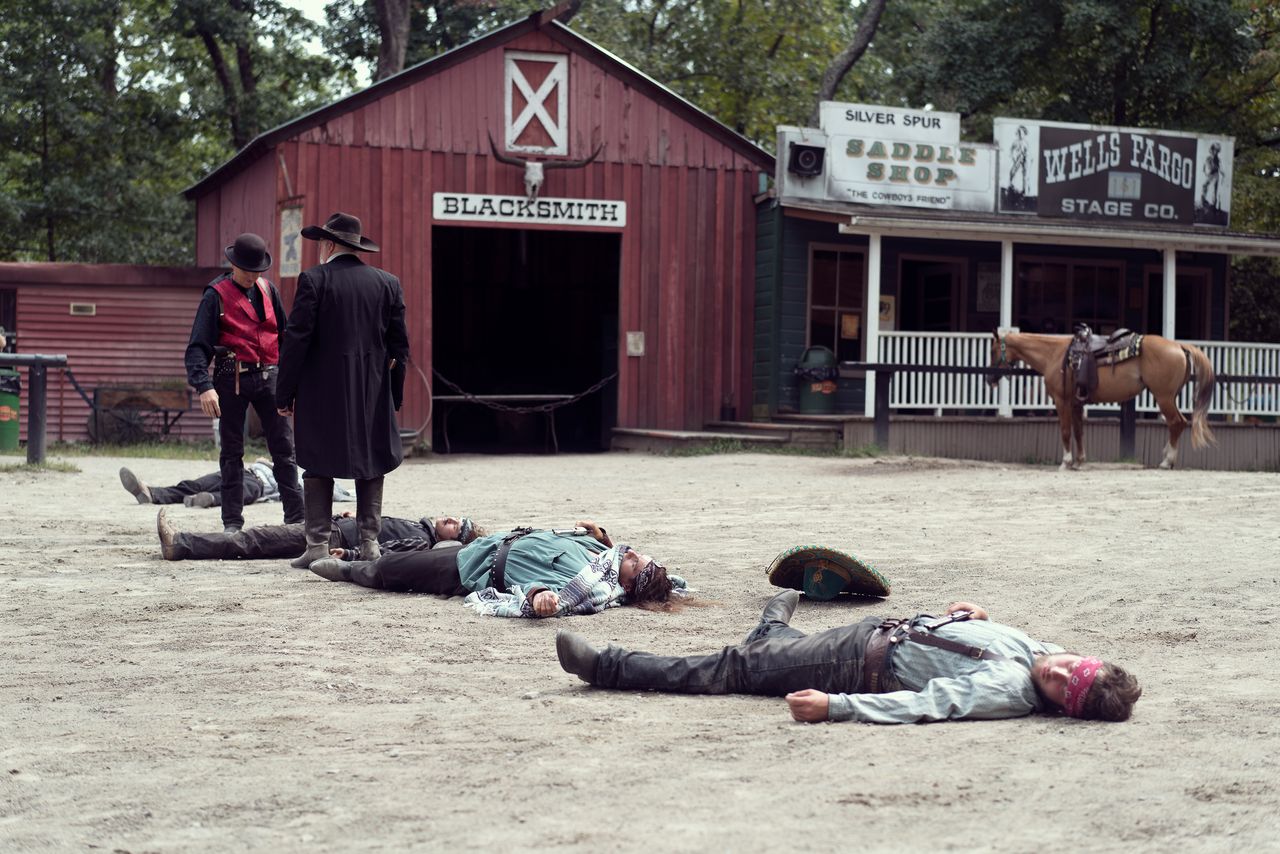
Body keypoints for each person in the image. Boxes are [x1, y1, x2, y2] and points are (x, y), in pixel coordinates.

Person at [556, 595, 1142, 723]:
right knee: (765, 656)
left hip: (852, 666)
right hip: (879, 632)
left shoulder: (1008, 693)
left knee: (732, 669)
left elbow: (925, 701)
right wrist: (975, 618)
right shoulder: (1041, 655)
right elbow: (1027, 648)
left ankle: (605, 666)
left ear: (1065, 709)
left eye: (1066, 686)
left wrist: (836, 707)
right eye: (1072, 664)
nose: (1057, 672)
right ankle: (773, 627)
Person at [277, 212, 409, 568]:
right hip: (372, 390)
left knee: (318, 463)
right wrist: (394, 394)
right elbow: (400, 347)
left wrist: (284, 392)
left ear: (329, 245)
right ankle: (369, 543)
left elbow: (296, 340)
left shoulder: (314, 280)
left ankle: (318, 547)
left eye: (321, 243)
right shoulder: (387, 283)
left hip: (322, 390)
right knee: (372, 460)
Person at [308, 522, 688, 617]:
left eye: (634, 562)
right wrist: (601, 536)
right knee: (428, 538)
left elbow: (552, 596)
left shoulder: (589, 585)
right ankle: (356, 551)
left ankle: (349, 570)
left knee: (390, 570)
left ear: (623, 582)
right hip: (493, 542)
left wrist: (542, 599)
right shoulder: (602, 554)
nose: (632, 552)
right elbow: (610, 548)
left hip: (468, 568)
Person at [186, 232, 304, 533]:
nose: (254, 276)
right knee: (232, 452)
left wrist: (292, 380)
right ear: (234, 264)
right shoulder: (215, 294)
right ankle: (232, 524)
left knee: (284, 449)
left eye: (258, 270)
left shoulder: (269, 289)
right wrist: (204, 386)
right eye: (249, 270)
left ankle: (296, 519)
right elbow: (197, 346)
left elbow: (286, 335)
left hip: (270, 374)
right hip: (230, 377)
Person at [156, 508, 480, 562]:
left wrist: (349, 555)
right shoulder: (419, 526)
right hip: (335, 527)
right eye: (454, 516)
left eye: (456, 524)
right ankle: (183, 543)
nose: (449, 518)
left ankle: (180, 544)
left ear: (452, 539)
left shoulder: (421, 540)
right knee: (261, 538)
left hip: (334, 539)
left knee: (253, 539)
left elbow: (386, 550)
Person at [119, 463, 353, 509]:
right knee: (195, 483)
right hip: (245, 470)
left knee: (242, 493)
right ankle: (151, 493)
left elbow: (338, 494)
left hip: (259, 484)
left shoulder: (320, 481)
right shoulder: (291, 461)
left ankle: (210, 499)